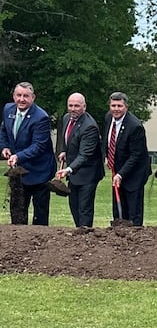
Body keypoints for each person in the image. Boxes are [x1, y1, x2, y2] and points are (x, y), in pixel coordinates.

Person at [0, 82, 56, 225]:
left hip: (40, 171)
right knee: (18, 212)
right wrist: (5, 147)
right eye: (18, 95)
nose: (22, 99)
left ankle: (40, 243)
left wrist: (18, 156)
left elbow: (38, 146)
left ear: (33, 98)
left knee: (40, 215)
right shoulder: (8, 110)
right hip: (19, 173)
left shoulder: (41, 117)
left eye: (26, 96)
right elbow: (4, 131)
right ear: (14, 96)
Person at [55, 93, 105, 227]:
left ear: (84, 107)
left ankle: (85, 236)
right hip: (74, 173)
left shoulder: (89, 127)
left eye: (77, 106)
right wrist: (65, 151)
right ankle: (80, 233)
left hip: (88, 173)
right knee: (74, 206)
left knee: (84, 209)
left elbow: (84, 154)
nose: (73, 109)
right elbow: (71, 140)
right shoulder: (67, 118)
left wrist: (68, 169)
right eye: (70, 105)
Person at [102, 92, 151, 226]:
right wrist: (107, 157)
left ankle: (134, 237)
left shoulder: (135, 126)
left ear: (126, 107)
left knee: (133, 210)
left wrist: (121, 174)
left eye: (119, 106)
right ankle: (119, 236)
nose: (116, 109)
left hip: (135, 173)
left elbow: (136, 155)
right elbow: (107, 141)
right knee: (118, 209)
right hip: (117, 170)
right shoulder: (108, 118)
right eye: (113, 105)